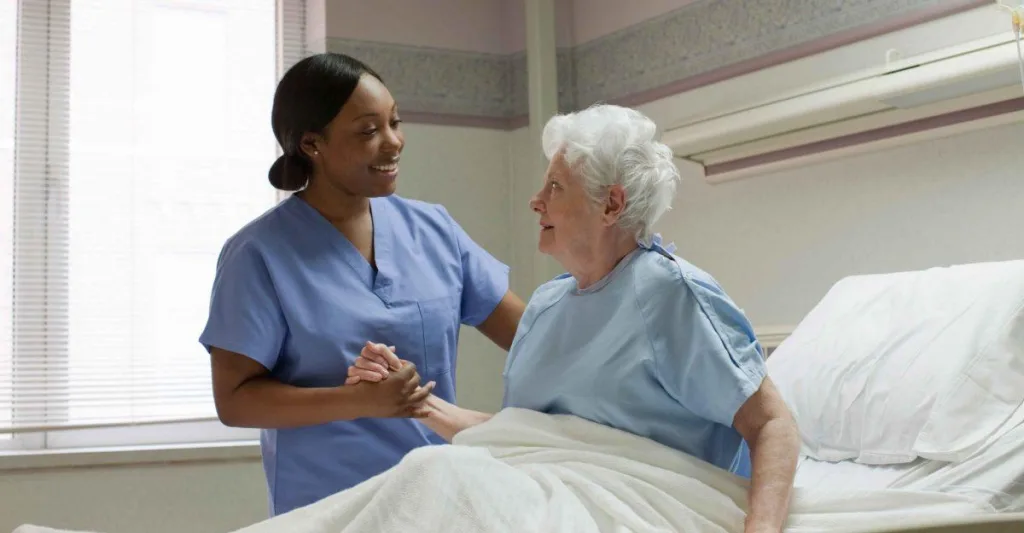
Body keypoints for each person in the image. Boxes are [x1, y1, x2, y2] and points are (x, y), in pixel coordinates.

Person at [349, 104, 801, 533]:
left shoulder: (670, 294)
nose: (535, 201)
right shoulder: (546, 307)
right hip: (544, 496)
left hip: (644, 505)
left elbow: (771, 423)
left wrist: (760, 527)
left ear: (611, 204)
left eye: (555, 187)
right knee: (428, 471)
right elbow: (523, 440)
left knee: (440, 472)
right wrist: (412, 397)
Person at [198, 52, 526, 517]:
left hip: (439, 499)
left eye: (395, 122)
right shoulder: (258, 254)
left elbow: (532, 338)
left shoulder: (433, 230)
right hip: (329, 509)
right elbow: (234, 401)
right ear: (312, 144)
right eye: (369, 131)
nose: (394, 143)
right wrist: (358, 400)